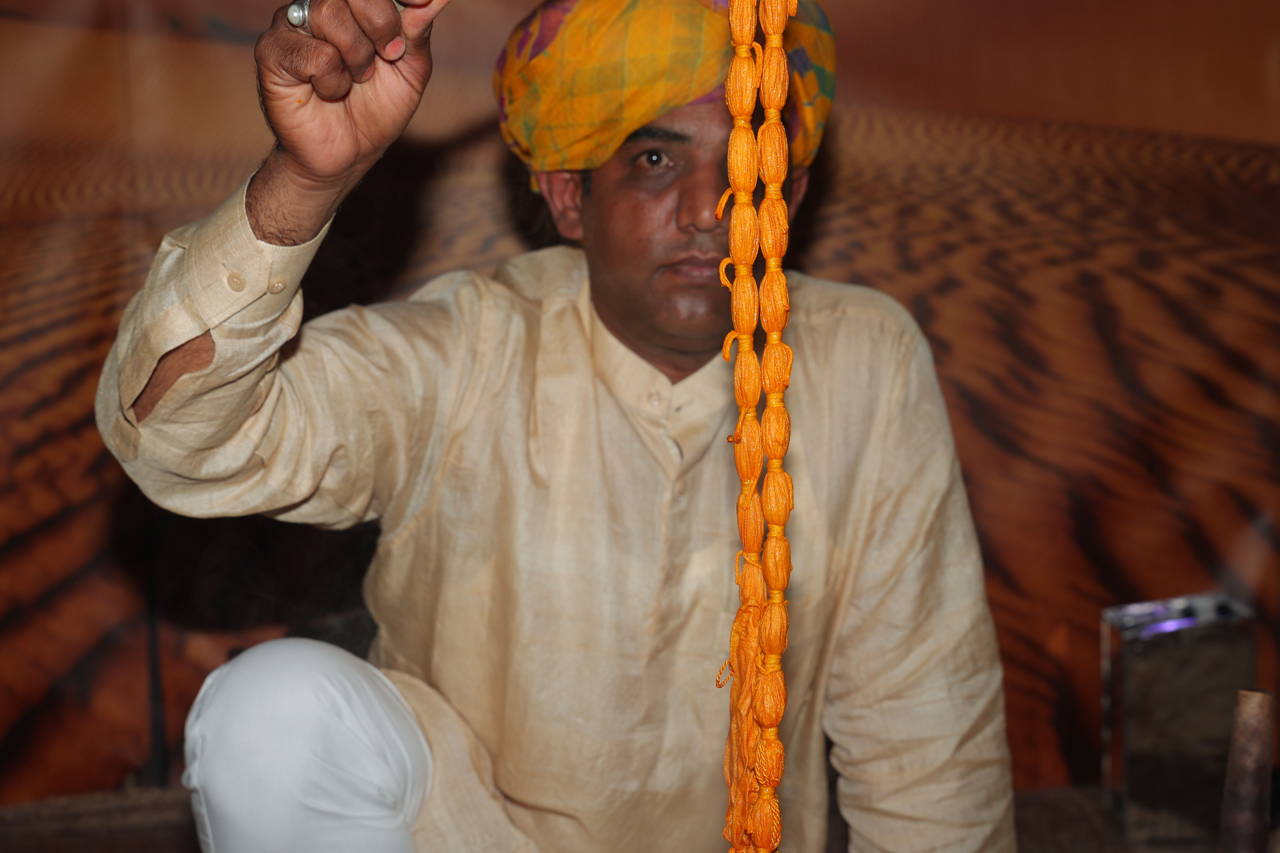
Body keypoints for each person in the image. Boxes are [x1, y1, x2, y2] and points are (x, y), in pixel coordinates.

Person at [96, 0, 1015, 850]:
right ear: (569, 197)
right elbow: (180, 441)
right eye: (657, 160)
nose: (711, 211)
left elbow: (925, 745)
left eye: (749, 160)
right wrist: (303, 180)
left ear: (794, 188)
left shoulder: (864, 363)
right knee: (273, 718)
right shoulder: (467, 350)